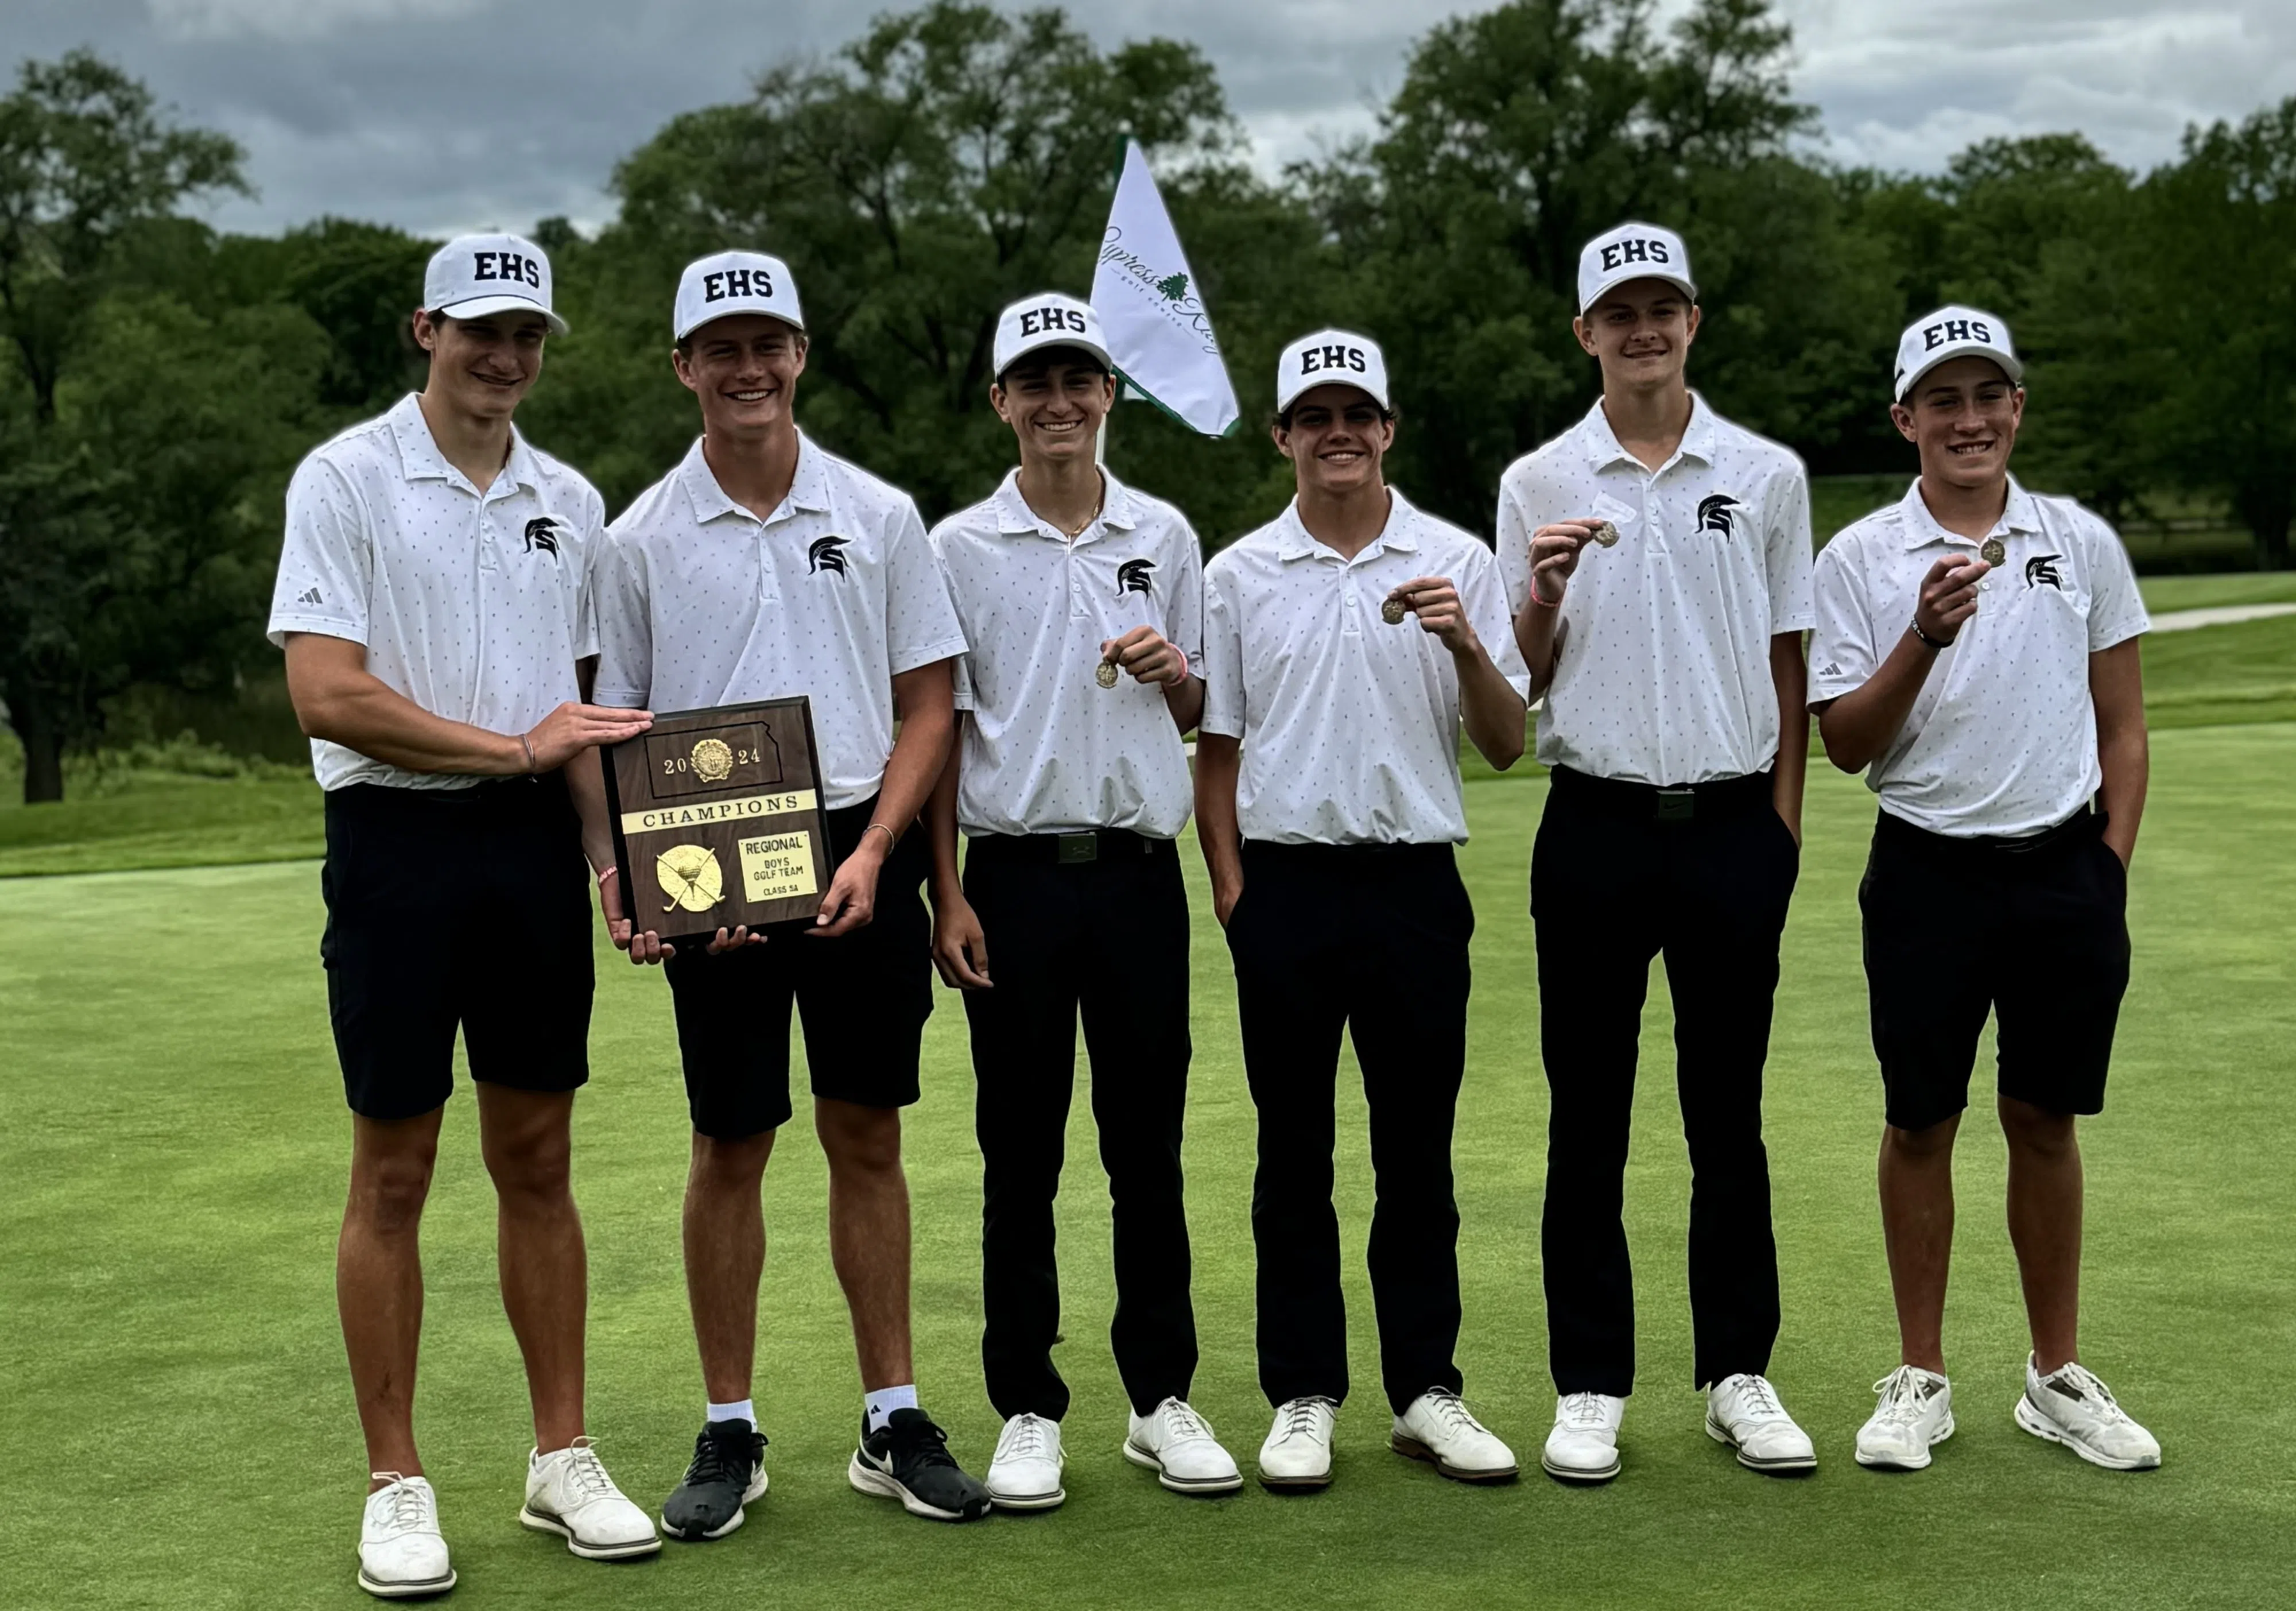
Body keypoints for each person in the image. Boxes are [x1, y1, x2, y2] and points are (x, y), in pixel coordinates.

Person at [268, 233, 661, 1599]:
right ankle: (396, 1479)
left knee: (539, 1157)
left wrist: (615, 867)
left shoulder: (572, 497)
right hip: (394, 844)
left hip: (531, 855)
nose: (506, 356)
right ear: (423, 328)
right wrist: (513, 749)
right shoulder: (348, 476)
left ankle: (562, 1457)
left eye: (529, 336)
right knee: (393, 1169)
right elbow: (328, 692)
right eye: (481, 329)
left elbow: (592, 720)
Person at [584, 250, 990, 1536]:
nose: (747, 366)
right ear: (684, 366)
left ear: (800, 354)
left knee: (865, 1131)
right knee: (731, 1138)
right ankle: (730, 1427)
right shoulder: (636, 536)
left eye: (768, 342)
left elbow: (928, 706)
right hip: (708, 860)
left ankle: (891, 1414)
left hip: (856, 840)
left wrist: (879, 853)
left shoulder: (877, 514)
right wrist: (628, 875)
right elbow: (614, 726)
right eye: (721, 346)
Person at [1810, 308, 2159, 1473]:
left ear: (2015, 406)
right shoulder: (1856, 558)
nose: (1967, 419)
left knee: (2042, 1119)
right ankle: (1919, 1374)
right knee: (1919, 1120)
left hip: (2062, 870)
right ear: (1905, 417)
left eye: (1986, 395)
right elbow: (1846, 743)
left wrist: (2104, 866)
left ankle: (2052, 1374)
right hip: (1923, 869)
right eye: (1941, 400)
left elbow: (2121, 723)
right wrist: (1921, 632)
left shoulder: (2079, 540)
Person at [1497, 222, 1818, 1484]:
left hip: (1734, 822)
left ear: (1691, 319)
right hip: (1593, 821)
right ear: (1583, 332)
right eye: (1616, 311)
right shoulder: (1539, 479)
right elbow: (1520, 673)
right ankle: (1588, 1382)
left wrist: (1782, 825)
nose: (1641, 327)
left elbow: (1788, 660)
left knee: (1724, 1113)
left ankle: (1738, 1370)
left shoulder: (1765, 473)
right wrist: (1540, 593)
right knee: (1588, 1118)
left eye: (1661, 306)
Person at [1197, 329, 1530, 1493]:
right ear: (1282, 434)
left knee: (1415, 1154)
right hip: (1282, 887)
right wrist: (1232, 888)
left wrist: (1464, 640)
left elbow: (1502, 738)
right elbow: (1218, 748)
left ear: (1387, 428)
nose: (1337, 431)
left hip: (1411, 889)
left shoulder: (1454, 558)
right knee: (1292, 1156)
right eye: (1313, 414)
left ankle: (1425, 1388)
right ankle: (1302, 1392)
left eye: (1358, 413)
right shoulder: (1236, 573)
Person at [925, 292, 1240, 1511]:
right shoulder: (958, 546)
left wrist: (1176, 674)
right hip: (1007, 876)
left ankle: (1159, 1397)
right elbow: (942, 729)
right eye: (1033, 381)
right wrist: (943, 886)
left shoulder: (1163, 530)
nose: (1058, 400)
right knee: (1020, 1151)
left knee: (1143, 1145)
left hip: (1134, 875)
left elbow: (1207, 711)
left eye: (1079, 379)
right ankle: (1025, 1404)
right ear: (1000, 399)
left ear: (1108, 392)